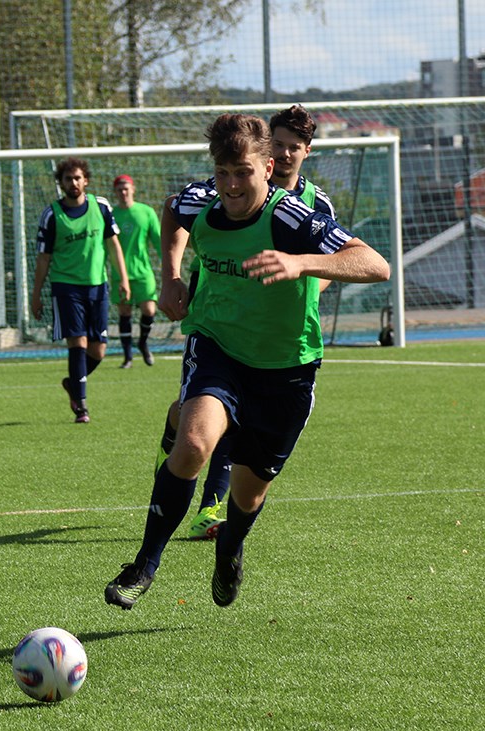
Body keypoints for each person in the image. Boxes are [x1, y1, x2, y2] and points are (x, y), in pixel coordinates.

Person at [104, 113, 389, 610]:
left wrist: (300, 262)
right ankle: (144, 565)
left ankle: (229, 551)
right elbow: (173, 211)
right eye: (223, 173)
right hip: (217, 345)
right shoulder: (204, 199)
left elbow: (374, 263)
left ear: (268, 166)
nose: (232, 185)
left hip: (286, 366)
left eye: (243, 173)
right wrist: (171, 275)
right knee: (193, 445)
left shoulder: (292, 217)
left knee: (249, 492)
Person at [155, 103, 338, 540]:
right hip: (218, 320)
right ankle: (207, 502)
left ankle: (213, 507)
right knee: (207, 421)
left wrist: (299, 279)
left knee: (227, 426)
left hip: (276, 338)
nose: (287, 153)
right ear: (266, 149)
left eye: (295, 147)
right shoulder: (229, 183)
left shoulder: (313, 205)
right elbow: (176, 210)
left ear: (306, 152)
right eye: (279, 143)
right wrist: (173, 277)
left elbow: (335, 261)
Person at [30, 158, 129, 424]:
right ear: (60, 183)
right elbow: (43, 258)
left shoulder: (101, 206)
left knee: (99, 351)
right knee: (78, 342)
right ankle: (82, 407)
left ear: (86, 180)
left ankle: (73, 383)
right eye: (67, 179)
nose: (73, 183)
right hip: (66, 287)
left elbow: (114, 245)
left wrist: (124, 279)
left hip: (98, 286)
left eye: (77, 178)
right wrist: (36, 293)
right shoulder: (52, 215)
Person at [109, 175, 160, 368]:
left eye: (126, 188)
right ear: (115, 192)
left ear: (133, 188)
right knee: (125, 312)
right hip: (119, 274)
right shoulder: (111, 215)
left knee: (149, 309)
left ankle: (143, 342)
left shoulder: (146, 212)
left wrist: (169, 265)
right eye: (119, 189)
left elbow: (158, 240)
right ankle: (128, 356)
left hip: (143, 272)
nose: (123, 192)